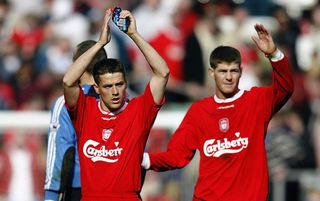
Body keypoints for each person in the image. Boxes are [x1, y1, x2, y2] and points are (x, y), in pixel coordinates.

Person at [142, 24, 294, 201]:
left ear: (241, 72)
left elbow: (286, 88)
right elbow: (177, 156)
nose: (228, 77)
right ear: (212, 73)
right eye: (223, 71)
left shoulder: (256, 101)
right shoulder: (199, 111)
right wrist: (142, 158)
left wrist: (274, 54)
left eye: (233, 71)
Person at [63, 8, 169, 201]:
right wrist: (100, 43)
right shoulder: (85, 110)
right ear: (96, 87)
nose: (114, 91)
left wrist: (134, 35)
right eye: (108, 86)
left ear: (125, 84)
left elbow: (162, 72)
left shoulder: (139, 110)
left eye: (119, 84)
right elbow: (68, 81)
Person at [44, 40, 107, 201]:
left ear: (79, 63)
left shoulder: (65, 103)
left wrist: (50, 196)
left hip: (79, 189)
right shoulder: (123, 101)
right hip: (117, 187)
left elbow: (61, 153)